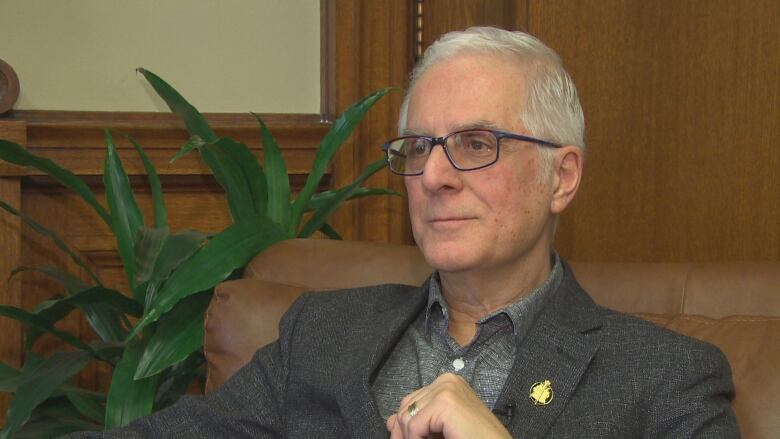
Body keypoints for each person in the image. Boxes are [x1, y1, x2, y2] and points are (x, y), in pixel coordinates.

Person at [68, 27, 739, 438]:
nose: (436, 176)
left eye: (476, 142)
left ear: (562, 176)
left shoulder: (664, 377)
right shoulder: (324, 332)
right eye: (419, 147)